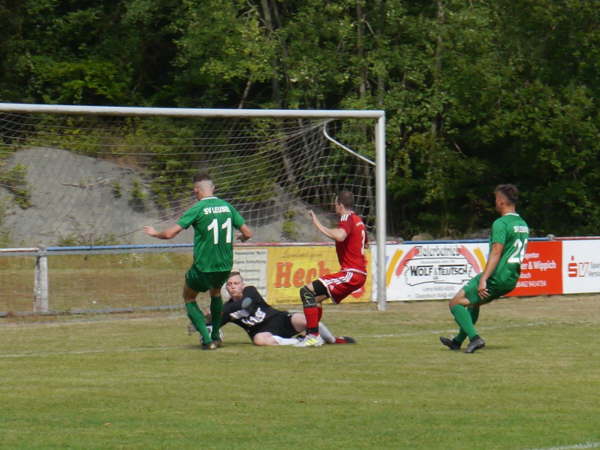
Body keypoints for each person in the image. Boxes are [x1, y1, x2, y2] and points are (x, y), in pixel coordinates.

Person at [144, 173, 252, 350]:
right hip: (225, 266)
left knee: (188, 296)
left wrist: (155, 233)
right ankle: (216, 335)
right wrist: (241, 237)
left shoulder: (198, 208)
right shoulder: (227, 206)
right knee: (215, 293)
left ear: (196, 191)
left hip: (204, 266)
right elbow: (248, 233)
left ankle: (206, 338)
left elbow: (170, 233)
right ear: (213, 188)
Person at [440, 184, 529, 353]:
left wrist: (484, 278)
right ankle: (457, 341)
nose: (495, 202)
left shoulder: (501, 223)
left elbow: (496, 251)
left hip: (497, 276)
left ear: (502, 201)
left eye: (496, 199)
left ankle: (475, 338)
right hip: (511, 278)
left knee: (455, 303)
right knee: (474, 304)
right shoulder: (522, 224)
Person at [202, 271, 356, 346]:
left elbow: (242, 304)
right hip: (262, 332)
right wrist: (202, 325)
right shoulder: (226, 308)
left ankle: (333, 340)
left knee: (308, 320)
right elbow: (215, 324)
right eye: (229, 284)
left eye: (236, 283)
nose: (232, 286)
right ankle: (298, 341)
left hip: (281, 320)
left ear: (242, 284)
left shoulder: (250, 291)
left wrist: (218, 311)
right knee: (259, 340)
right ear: (226, 288)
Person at [295, 190, 368, 347]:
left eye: (335, 204)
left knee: (306, 291)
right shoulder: (358, 221)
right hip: (357, 274)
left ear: (340, 204)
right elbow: (364, 243)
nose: (334, 206)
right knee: (315, 300)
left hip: (351, 273)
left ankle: (313, 336)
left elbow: (340, 236)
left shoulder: (346, 217)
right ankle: (328, 338)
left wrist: (317, 224)